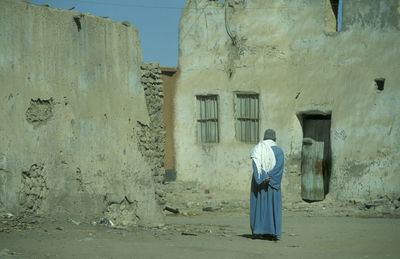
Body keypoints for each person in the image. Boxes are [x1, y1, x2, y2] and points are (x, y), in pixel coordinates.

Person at [250, 129, 284, 241]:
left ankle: (258, 231)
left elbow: (256, 166)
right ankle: (272, 232)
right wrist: (270, 177)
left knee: (260, 206)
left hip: (260, 184)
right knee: (273, 207)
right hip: (272, 184)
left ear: (264, 138)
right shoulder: (279, 151)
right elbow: (279, 167)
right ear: (275, 139)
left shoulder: (258, 149)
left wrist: (262, 177)